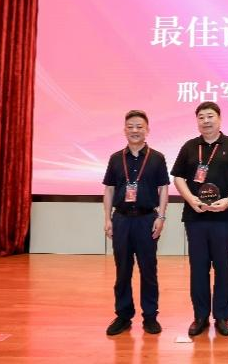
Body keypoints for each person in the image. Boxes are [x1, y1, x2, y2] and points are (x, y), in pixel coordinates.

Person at [171, 101, 228, 337]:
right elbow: (178, 177)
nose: (206, 121)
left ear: (219, 119)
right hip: (195, 217)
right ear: (197, 121)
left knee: (223, 266)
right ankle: (200, 316)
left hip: (224, 216)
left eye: (210, 116)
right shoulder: (189, 147)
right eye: (201, 117)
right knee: (198, 267)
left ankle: (223, 317)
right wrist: (190, 199)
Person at [102, 110, 170, 336]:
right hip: (121, 220)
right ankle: (123, 315)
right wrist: (107, 218)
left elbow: (163, 189)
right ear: (124, 130)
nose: (134, 130)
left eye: (139, 126)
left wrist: (161, 217)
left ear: (147, 130)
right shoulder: (115, 158)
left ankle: (150, 316)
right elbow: (109, 190)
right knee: (122, 270)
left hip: (146, 220)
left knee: (148, 269)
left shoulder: (157, 158)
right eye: (130, 126)